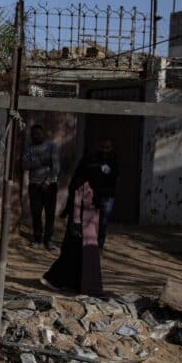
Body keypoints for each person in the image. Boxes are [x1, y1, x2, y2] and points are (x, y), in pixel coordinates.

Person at [41, 165, 103, 296]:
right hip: (80, 227)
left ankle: (77, 285)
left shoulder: (95, 185)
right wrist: (76, 224)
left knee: (82, 257)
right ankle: (53, 279)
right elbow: (76, 205)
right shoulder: (82, 185)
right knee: (71, 255)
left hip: (90, 227)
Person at [72, 139, 119, 250]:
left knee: (103, 223)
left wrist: (110, 172)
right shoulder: (93, 158)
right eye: (102, 147)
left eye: (107, 147)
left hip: (107, 194)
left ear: (111, 148)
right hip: (94, 194)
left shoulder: (114, 160)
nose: (104, 150)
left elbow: (117, 174)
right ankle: (89, 245)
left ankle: (99, 246)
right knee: (90, 221)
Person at [22, 124, 60, 250]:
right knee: (36, 213)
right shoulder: (29, 148)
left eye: (38, 133)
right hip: (34, 186)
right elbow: (25, 165)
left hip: (50, 186)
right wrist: (42, 162)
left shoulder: (51, 146)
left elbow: (55, 167)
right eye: (34, 134)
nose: (36, 136)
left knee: (50, 214)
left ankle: (48, 240)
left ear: (43, 134)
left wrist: (47, 182)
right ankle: (37, 239)